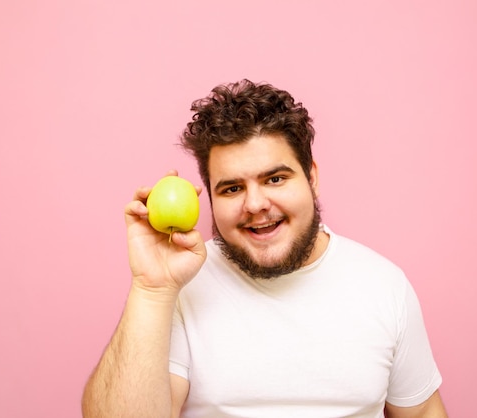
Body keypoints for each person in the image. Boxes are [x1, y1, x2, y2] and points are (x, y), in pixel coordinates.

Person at [82, 79, 448, 418]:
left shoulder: (383, 286)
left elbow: (422, 412)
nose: (255, 204)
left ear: (312, 178)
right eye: (231, 188)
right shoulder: (181, 289)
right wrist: (151, 290)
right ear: (208, 197)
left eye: (275, 179)